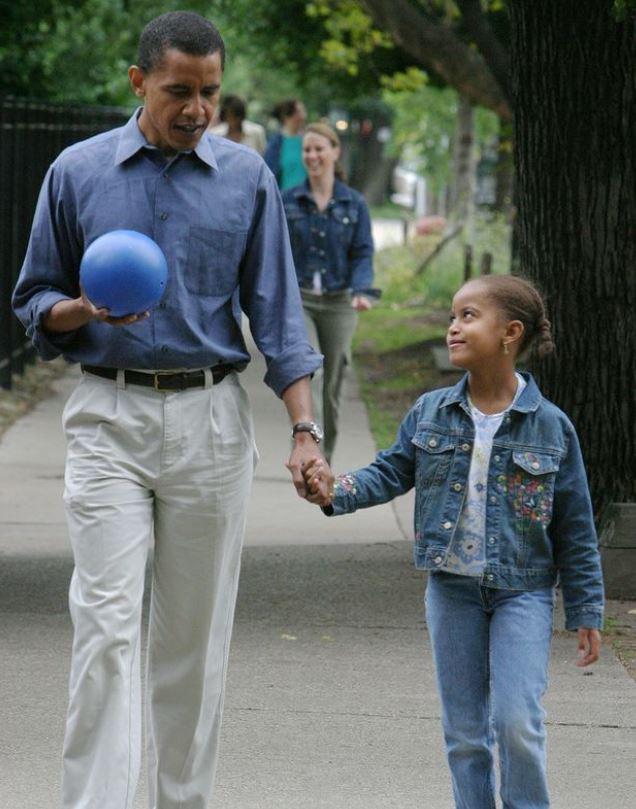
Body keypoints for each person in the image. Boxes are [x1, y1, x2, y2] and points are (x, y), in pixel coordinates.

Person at [12, 11, 327, 809]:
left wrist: (303, 429)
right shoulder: (76, 172)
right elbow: (32, 301)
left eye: (210, 93)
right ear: (138, 82)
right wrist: (82, 310)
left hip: (211, 420)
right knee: (106, 626)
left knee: (192, 642)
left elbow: (280, 318)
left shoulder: (246, 177)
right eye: (179, 90)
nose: (196, 109)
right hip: (108, 417)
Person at [304, 274, 604, 809]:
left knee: (517, 723)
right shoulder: (431, 411)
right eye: (452, 317)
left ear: (510, 332)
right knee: (465, 735)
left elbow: (575, 527)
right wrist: (335, 489)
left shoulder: (551, 428)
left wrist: (586, 608)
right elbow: (389, 472)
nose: (453, 328)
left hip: (523, 593)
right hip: (452, 592)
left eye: (469, 316)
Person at [282, 122, 378, 463]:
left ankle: (328, 459)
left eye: (319, 149)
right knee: (309, 372)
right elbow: (278, 252)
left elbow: (363, 251)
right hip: (301, 300)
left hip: (340, 301)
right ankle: (307, 451)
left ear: (335, 152)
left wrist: (362, 290)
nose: (312, 156)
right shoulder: (289, 200)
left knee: (334, 381)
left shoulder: (354, 204)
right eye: (307, 150)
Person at [263, 98, 307, 190]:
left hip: (308, 198)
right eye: (299, 112)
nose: (303, 116)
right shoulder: (275, 143)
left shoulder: (307, 140)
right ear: (286, 116)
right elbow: (269, 175)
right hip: (285, 200)